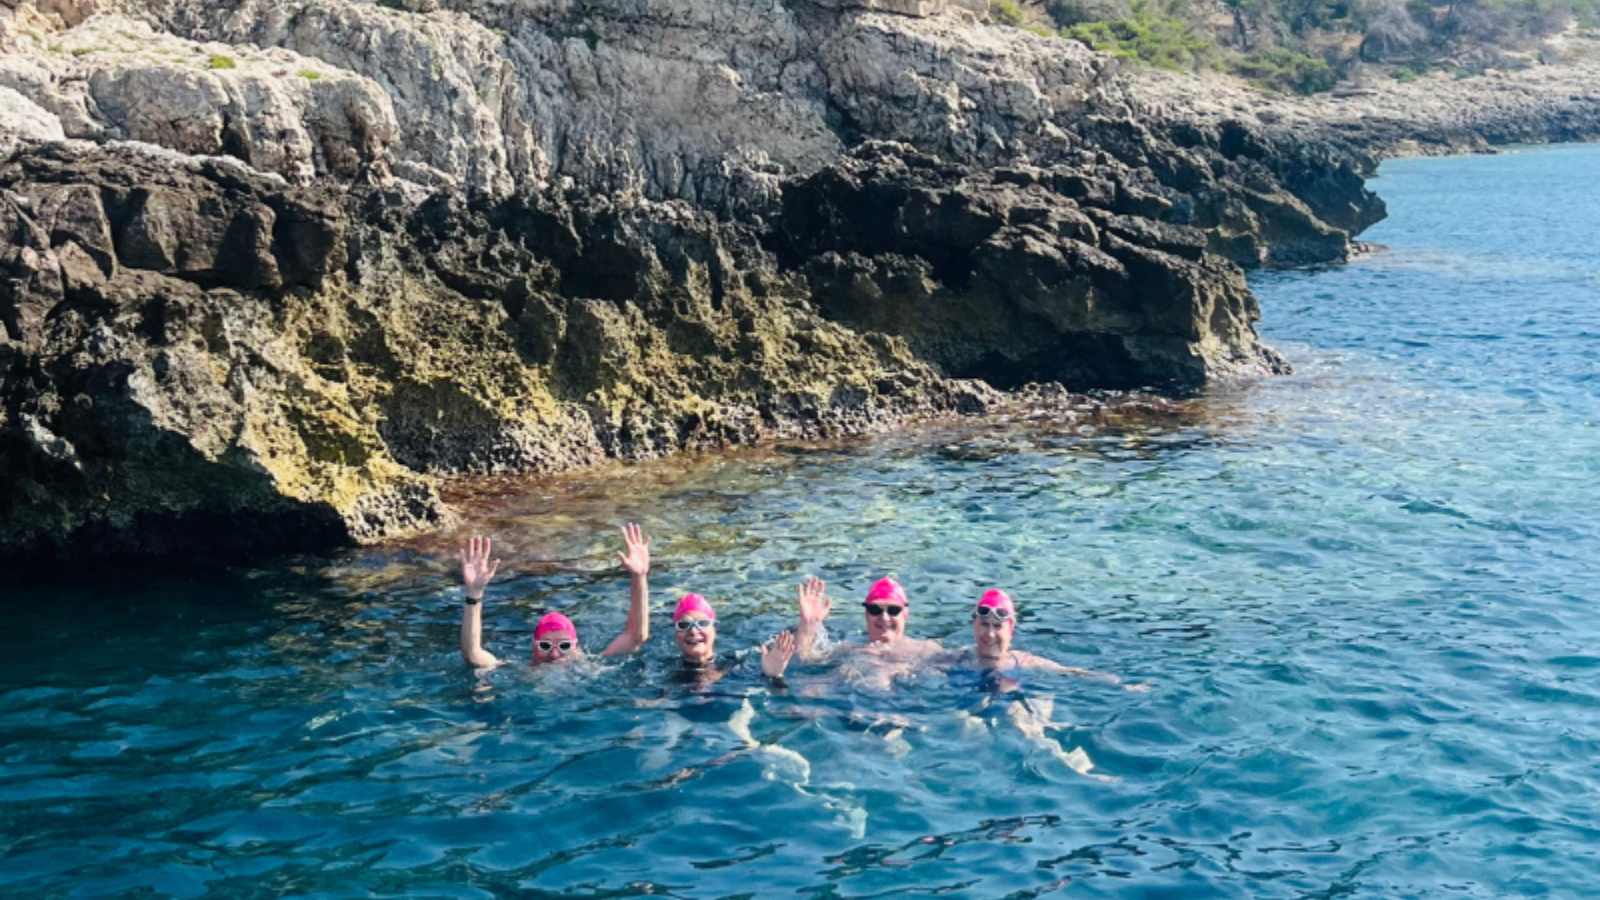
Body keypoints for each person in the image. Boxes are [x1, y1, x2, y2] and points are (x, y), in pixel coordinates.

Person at [456, 524, 652, 670]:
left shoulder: (594, 667)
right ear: (533, 647)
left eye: (565, 646)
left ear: (577, 647)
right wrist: (474, 593)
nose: (555, 654)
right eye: (545, 645)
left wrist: (640, 576)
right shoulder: (519, 670)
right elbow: (472, 655)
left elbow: (636, 636)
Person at [793, 575, 944, 689]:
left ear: (905, 614)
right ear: (866, 614)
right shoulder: (847, 650)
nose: (884, 618)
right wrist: (808, 624)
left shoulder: (926, 650)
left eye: (893, 610)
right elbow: (803, 661)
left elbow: (966, 664)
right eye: (875, 609)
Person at [668, 592, 796, 684]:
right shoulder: (665, 671)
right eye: (684, 625)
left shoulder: (735, 665)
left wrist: (774, 677)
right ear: (675, 632)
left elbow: (777, 706)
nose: (694, 631)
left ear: (714, 629)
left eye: (703, 623)